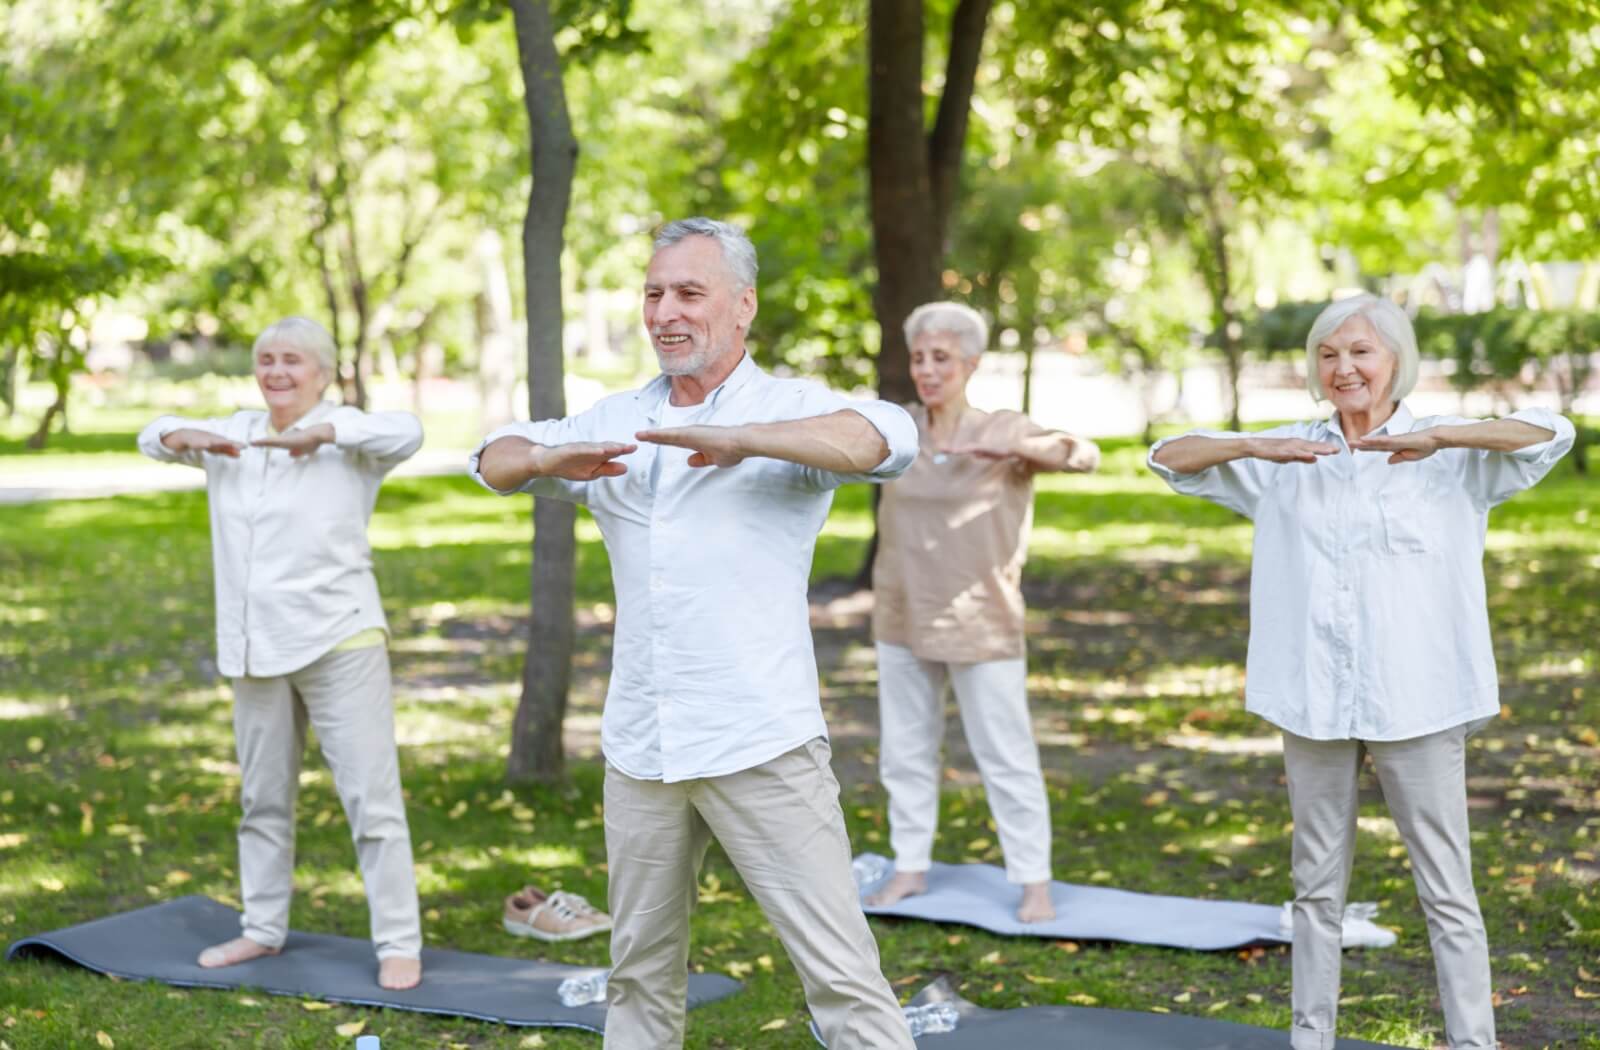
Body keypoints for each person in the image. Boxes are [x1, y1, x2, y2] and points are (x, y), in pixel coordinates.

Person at [471, 218, 918, 1050]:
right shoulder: (619, 419)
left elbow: (888, 438)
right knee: (638, 975)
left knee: (843, 978)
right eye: (653, 293)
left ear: (742, 306)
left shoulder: (790, 411)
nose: (666, 312)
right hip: (643, 747)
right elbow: (489, 457)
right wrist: (541, 460)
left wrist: (740, 439)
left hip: (761, 741)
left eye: (689, 292)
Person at [1147, 293, 1573, 1050]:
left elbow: (1551, 431)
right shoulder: (1288, 453)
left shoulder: (1456, 458)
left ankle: (1472, 1042)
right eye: (1329, 354)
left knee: (1447, 891)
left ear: (1395, 361)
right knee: (1315, 889)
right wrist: (1253, 447)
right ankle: (1312, 1039)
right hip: (1312, 701)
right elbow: (1166, 456)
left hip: (1419, 700)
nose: (1344, 368)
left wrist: (1440, 436)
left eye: (1361, 352)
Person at [137, 317, 426, 991]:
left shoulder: (350, 436)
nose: (276, 372)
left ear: (322, 372)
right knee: (261, 800)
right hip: (253, 648)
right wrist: (187, 436)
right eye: (266, 360)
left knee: (371, 802)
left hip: (340, 640)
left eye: (292, 361)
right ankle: (262, 931)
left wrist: (323, 433)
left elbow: (408, 430)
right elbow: (151, 434)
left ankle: (399, 942)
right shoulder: (236, 431)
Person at [865, 301, 1099, 924]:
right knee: (906, 752)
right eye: (919, 358)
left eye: (941, 357)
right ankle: (909, 867)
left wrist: (1030, 450)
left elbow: (1084, 455)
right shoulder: (899, 432)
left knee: (1005, 754)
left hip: (981, 615)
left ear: (971, 364)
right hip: (902, 610)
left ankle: (1034, 882)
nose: (927, 369)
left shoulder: (1003, 429)